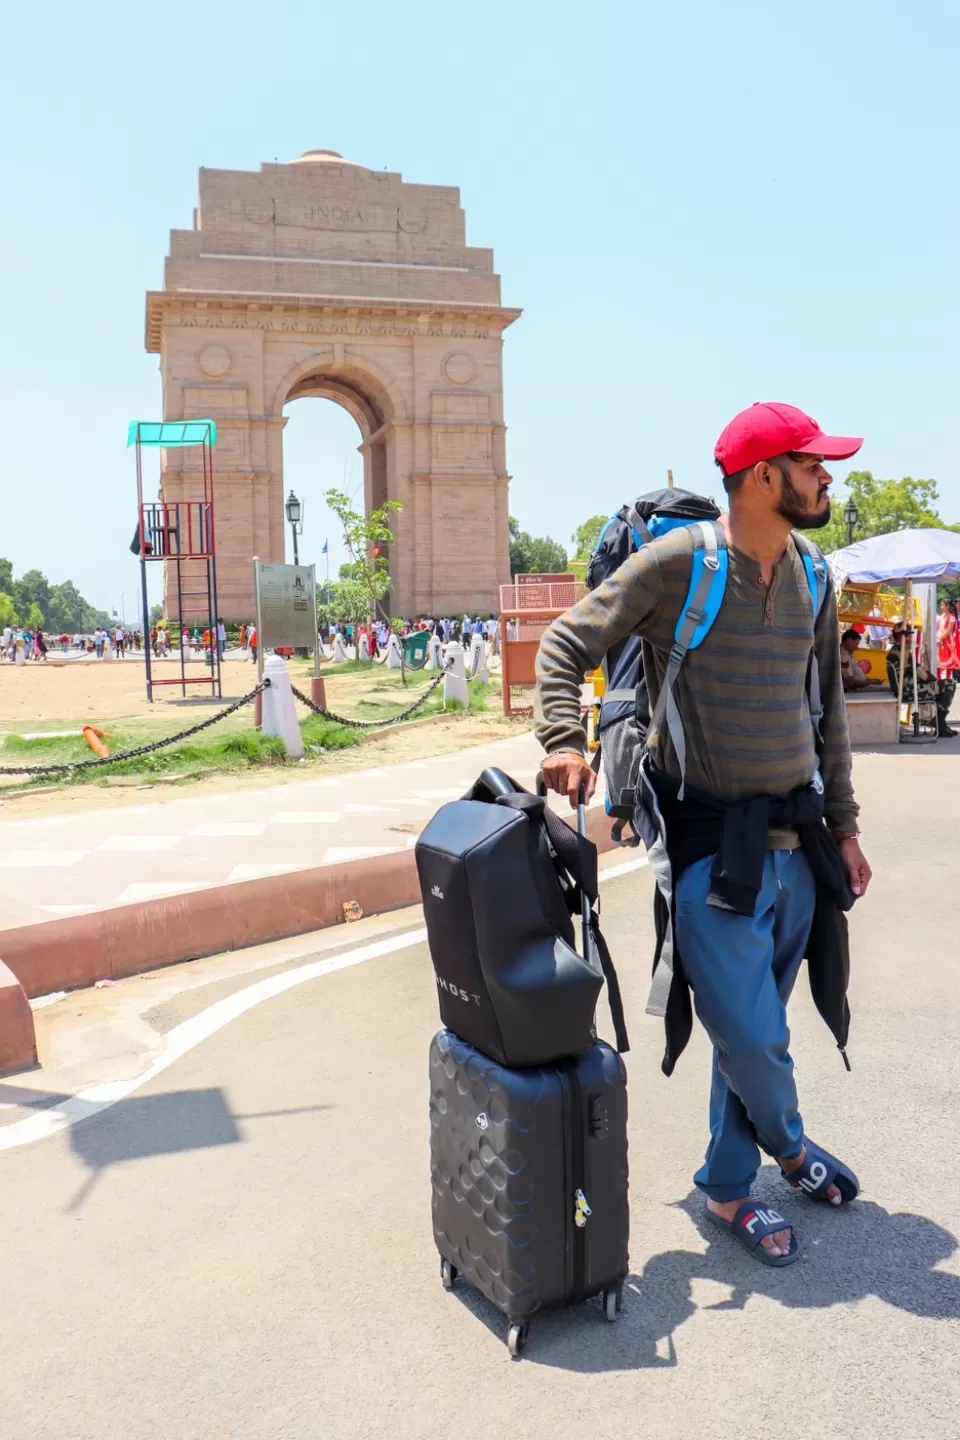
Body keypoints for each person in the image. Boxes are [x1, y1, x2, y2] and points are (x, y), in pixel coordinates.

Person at [537, 401, 871, 1266]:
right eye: (811, 464)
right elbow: (567, 642)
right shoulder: (683, 564)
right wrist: (562, 740)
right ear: (764, 477)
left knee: (741, 1029)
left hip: (798, 848)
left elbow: (827, 711)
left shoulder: (813, 574)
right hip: (711, 854)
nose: (827, 477)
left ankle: (726, 1190)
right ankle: (791, 1149)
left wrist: (844, 828)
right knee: (756, 1033)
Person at [887, 621, 956, 737]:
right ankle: (939, 721)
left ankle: (939, 722)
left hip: (906, 688)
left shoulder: (897, 651)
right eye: (909, 635)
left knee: (942, 686)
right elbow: (920, 673)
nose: (911, 637)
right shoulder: (901, 653)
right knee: (949, 684)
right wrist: (933, 680)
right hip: (909, 691)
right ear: (901, 636)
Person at [937, 598, 960, 679]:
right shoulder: (942, 616)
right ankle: (939, 680)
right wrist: (939, 638)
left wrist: (940, 638)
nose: (941, 607)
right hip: (940, 640)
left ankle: (947, 680)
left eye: (942, 605)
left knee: (948, 662)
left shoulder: (952, 617)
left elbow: (949, 630)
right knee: (939, 662)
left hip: (948, 641)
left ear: (948, 606)